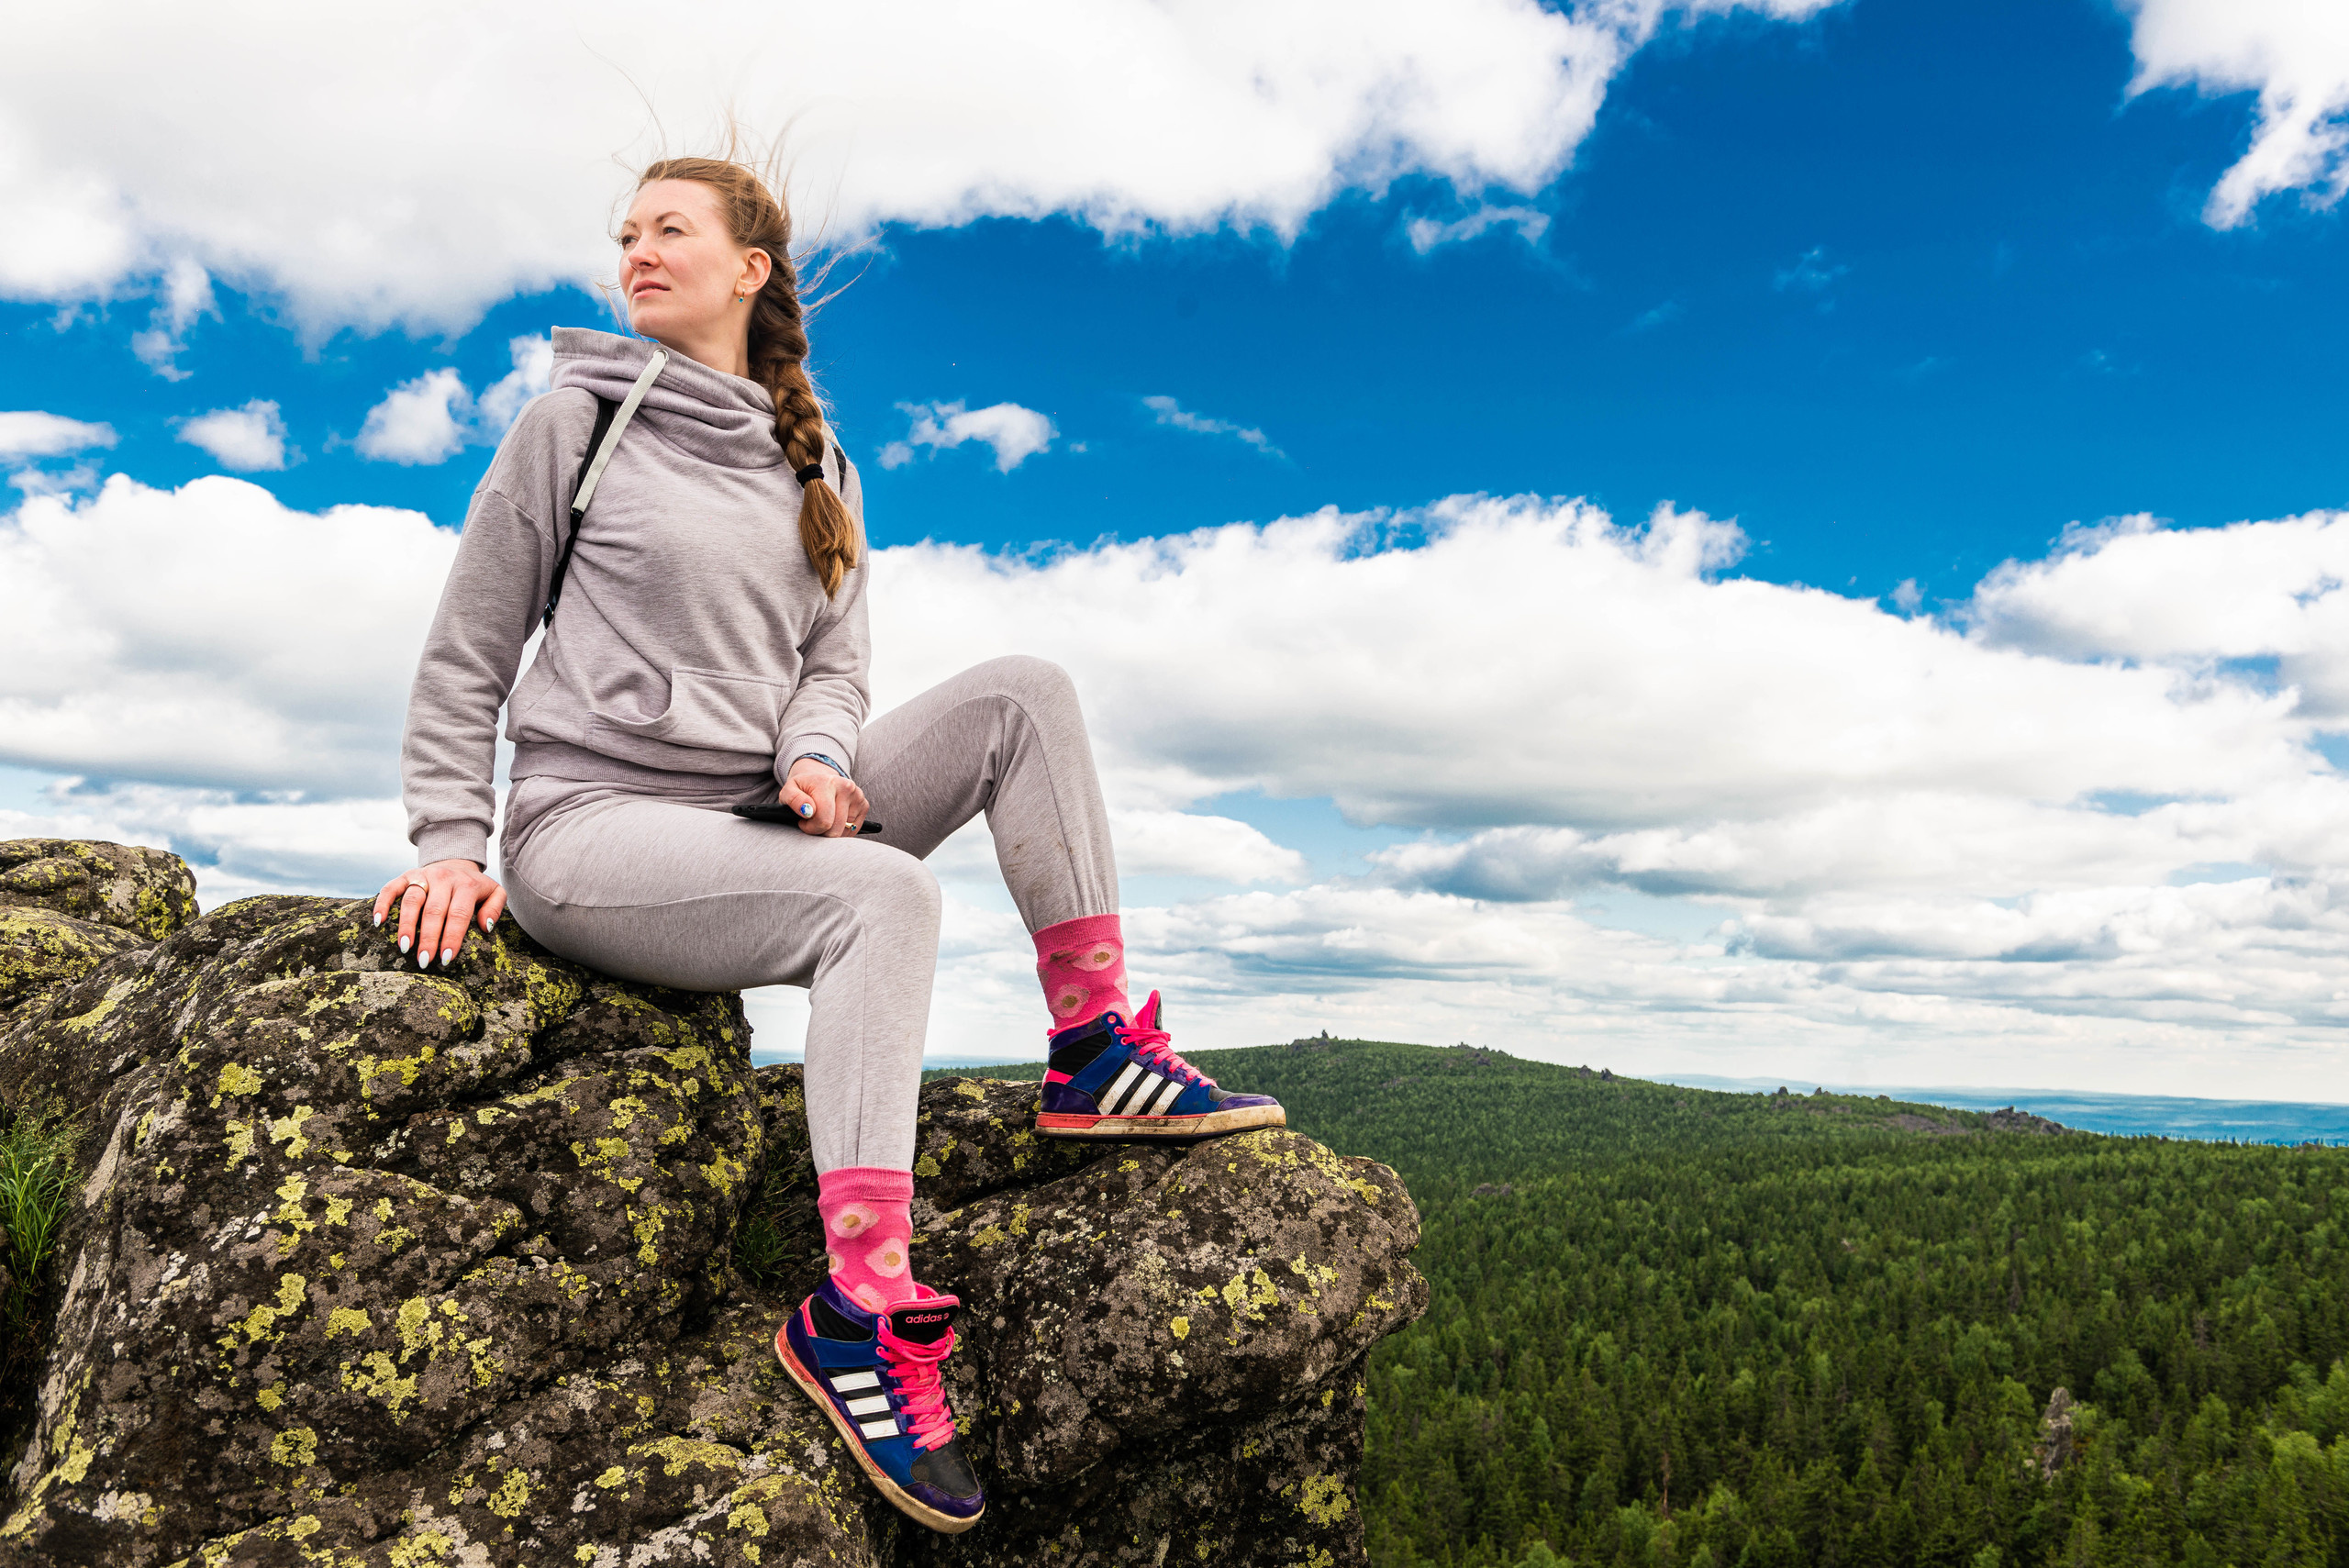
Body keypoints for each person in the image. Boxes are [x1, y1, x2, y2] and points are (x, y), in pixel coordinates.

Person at [375, 153, 1286, 1535]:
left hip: (754, 816)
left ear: (751, 267)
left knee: (1024, 692)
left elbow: (835, 668)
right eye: (625, 234)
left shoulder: (822, 457)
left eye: (669, 230)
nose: (635, 251)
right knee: (883, 899)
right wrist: (451, 837)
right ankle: (858, 1307)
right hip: (591, 831)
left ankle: (1096, 1047)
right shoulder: (577, 424)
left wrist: (816, 756)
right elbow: (469, 647)